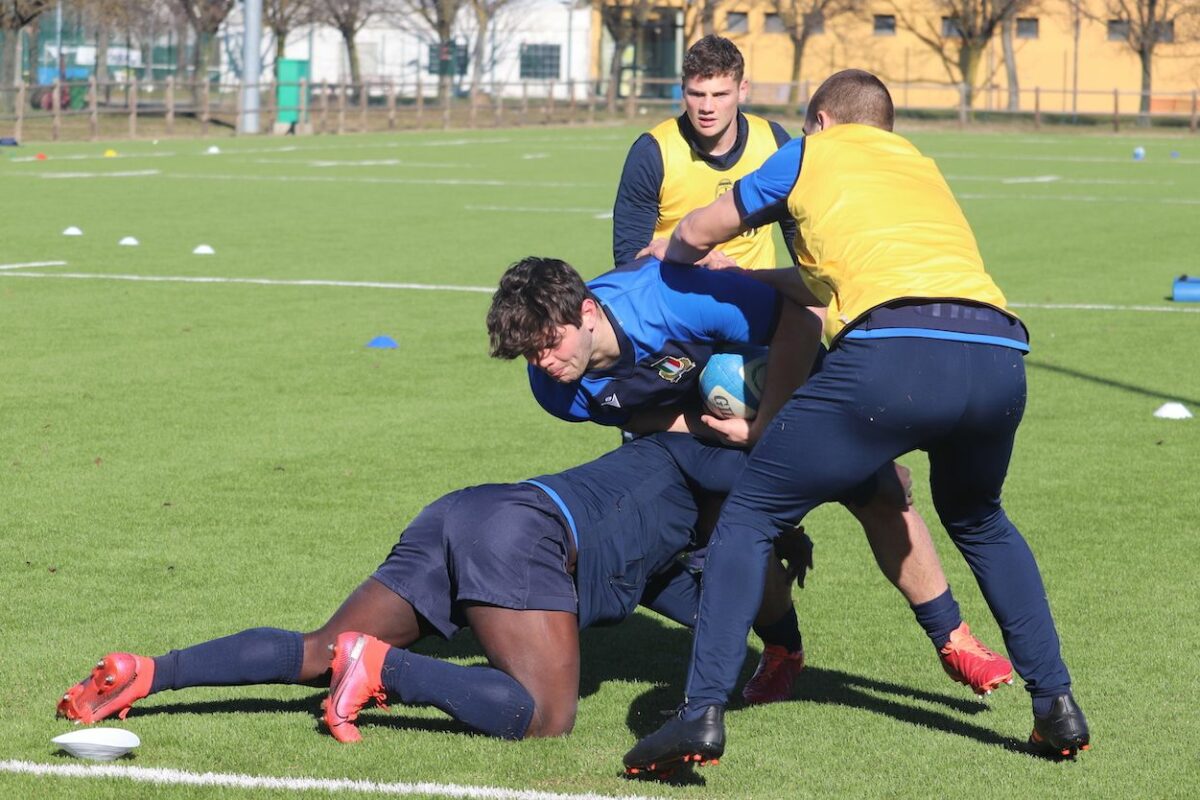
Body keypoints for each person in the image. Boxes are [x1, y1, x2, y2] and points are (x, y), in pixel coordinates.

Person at [625, 70, 1090, 775]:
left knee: (749, 517)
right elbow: (829, 281)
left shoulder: (814, 151)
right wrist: (745, 279)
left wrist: (677, 261)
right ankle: (1056, 703)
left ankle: (700, 714)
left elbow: (699, 225)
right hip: (998, 355)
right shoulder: (917, 163)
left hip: (892, 359)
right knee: (980, 519)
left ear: (819, 120)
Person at [486, 256, 1013, 707]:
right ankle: (784, 650)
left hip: (788, 378)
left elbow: (803, 324)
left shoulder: (670, 297)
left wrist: (784, 433)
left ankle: (954, 639)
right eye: (530, 354)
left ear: (587, 311)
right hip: (697, 423)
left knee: (879, 494)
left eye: (550, 345)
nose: (544, 363)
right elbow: (640, 419)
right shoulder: (555, 390)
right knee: (731, 532)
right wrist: (714, 430)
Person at [57, 433, 803, 743]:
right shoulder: (705, 460)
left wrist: (776, 647)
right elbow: (766, 489)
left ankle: (148, 673)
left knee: (320, 649)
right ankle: (385, 669)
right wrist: (822, 506)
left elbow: (706, 605)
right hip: (523, 532)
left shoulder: (670, 533)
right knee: (544, 716)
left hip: (467, 509)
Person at [612, 34, 795, 270]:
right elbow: (629, 259)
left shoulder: (774, 141)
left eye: (720, 95)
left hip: (754, 296)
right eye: (697, 94)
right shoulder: (652, 152)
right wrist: (691, 259)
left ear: (742, 90)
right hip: (676, 297)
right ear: (682, 90)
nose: (707, 108)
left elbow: (797, 229)